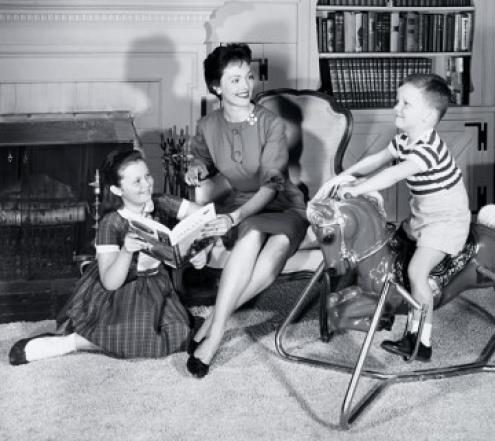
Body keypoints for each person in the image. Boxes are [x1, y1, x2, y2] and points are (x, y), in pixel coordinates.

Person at [314, 73, 471, 362]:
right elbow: (377, 160)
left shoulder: (427, 149)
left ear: (427, 116)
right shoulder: (405, 139)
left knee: (416, 273)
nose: (396, 108)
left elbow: (392, 174)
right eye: (398, 101)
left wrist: (358, 188)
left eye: (405, 104)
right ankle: (395, 318)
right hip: (422, 218)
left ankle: (421, 340)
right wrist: (345, 176)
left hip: (446, 224)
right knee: (387, 253)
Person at [9, 149, 209, 365]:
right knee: (137, 335)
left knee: (180, 334)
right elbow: (111, 282)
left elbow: (207, 216)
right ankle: (72, 343)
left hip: (156, 284)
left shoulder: (159, 202)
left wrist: (202, 251)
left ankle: (100, 339)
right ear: (117, 189)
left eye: (148, 175)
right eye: (137, 181)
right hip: (120, 289)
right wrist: (126, 252)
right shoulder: (111, 223)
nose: (147, 185)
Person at [183, 43, 308, 378]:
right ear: (216, 87)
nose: (245, 86)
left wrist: (234, 218)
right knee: (252, 236)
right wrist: (195, 168)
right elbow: (199, 157)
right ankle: (217, 327)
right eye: (235, 79)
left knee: (273, 240)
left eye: (248, 77)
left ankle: (213, 328)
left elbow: (272, 184)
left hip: (281, 202)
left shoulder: (270, 123)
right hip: (241, 203)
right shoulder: (208, 125)